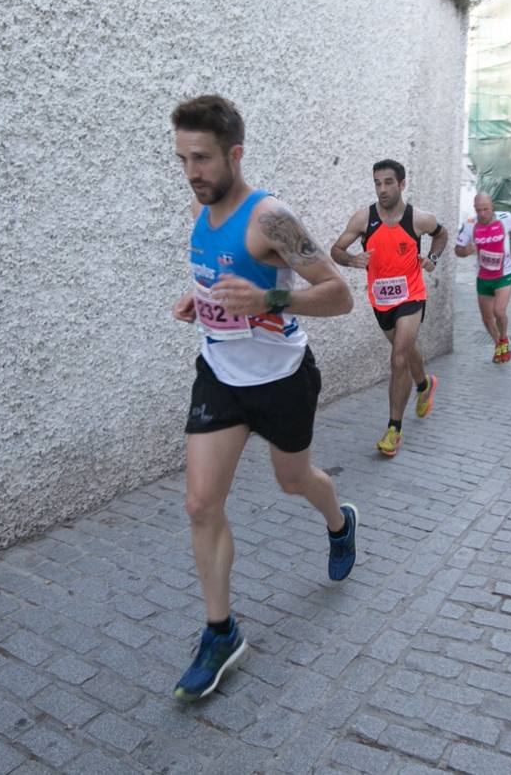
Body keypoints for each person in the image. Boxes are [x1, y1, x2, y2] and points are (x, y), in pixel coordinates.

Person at [170, 95, 358, 701]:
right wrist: (196, 300)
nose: (192, 172)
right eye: (182, 159)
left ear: (235, 154)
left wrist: (272, 302)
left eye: (202, 158)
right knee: (201, 503)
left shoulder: (270, 217)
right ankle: (221, 632)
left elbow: (338, 295)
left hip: (281, 380)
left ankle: (339, 520)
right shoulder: (203, 210)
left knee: (294, 480)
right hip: (221, 377)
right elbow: (224, 279)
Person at [331, 160, 448, 457]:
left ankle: (393, 429)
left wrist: (433, 257)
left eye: (388, 182)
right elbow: (336, 249)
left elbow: (441, 234)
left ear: (402, 184)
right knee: (406, 351)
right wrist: (352, 260)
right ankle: (424, 385)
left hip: (412, 295)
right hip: (381, 301)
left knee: (398, 357)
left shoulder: (418, 219)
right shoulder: (363, 219)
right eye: (377, 183)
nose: (382, 189)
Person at [454, 193, 511, 363]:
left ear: (492, 206)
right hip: (483, 277)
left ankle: (503, 337)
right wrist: (465, 251)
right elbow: (457, 249)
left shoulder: (505, 218)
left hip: (504, 274)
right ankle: (499, 344)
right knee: (487, 318)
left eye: (485, 209)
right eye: (478, 210)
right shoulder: (469, 225)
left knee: (499, 311)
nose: (482, 214)